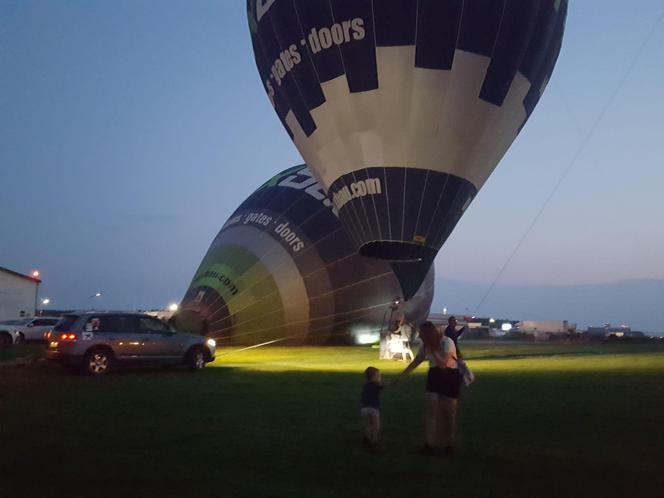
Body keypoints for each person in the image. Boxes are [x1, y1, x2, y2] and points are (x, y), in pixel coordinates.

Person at [394, 321, 462, 456]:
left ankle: (449, 445)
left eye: (421, 334)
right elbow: (417, 361)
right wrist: (402, 376)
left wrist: (433, 350)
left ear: (429, 334)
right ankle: (429, 444)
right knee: (431, 412)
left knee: (449, 414)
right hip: (434, 376)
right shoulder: (425, 345)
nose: (419, 337)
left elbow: (443, 364)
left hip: (449, 376)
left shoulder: (446, 342)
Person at [360, 366, 384, 449]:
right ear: (374, 377)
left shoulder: (365, 386)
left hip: (364, 409)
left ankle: (366, 437)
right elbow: (384, 385)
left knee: (368, 424)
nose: (380, 378)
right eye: (379, 376)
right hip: (373, 409)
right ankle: (373, 442)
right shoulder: (376, 385)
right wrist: (394, 383)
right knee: (375, 425)